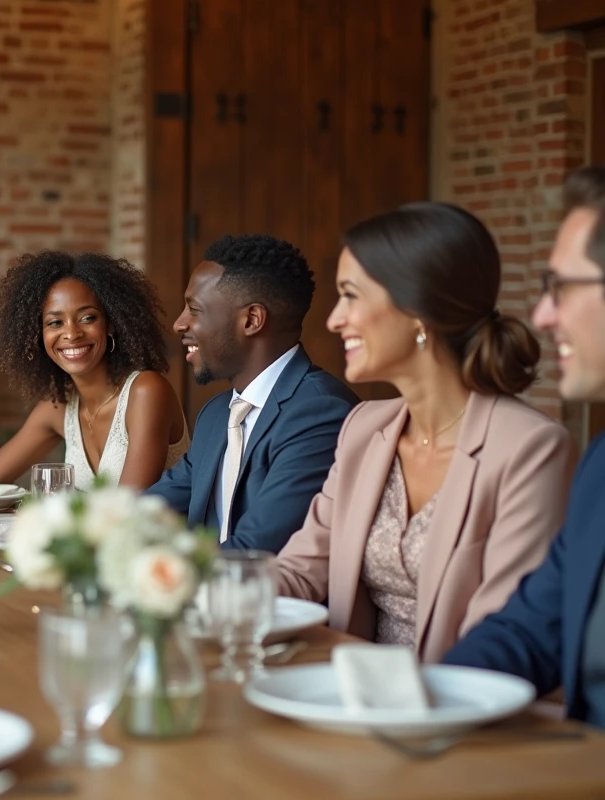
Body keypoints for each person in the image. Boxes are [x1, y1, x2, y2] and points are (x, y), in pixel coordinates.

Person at [277, 202, 577, 663]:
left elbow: (506, 629)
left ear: (417, 310)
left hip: (463, 710)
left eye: (351, 295)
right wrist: (188, 587)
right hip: (350, 694)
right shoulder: (363, 428)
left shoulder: (530, 449)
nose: (334, 319)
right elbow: (299, 572)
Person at [445, 166, 605, 721]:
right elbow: (531, 630)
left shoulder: (542, 445)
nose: (541, 315)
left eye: (560, 287)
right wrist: (423, 701)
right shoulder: (601, 465)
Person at [146, 234, 358, 551]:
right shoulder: (217, 414)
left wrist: (151, 575)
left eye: (194, 309)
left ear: (252, 320)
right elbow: (146, 512)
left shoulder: (319, 413)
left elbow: (256, 552)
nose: (179, 324)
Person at [0, 251, 188, 490]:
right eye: (55, 323)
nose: (72, 334)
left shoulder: (146, 391)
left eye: (87, 318)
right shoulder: (58, 406)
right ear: (38, 335)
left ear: (110, 325)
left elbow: (129, 507)